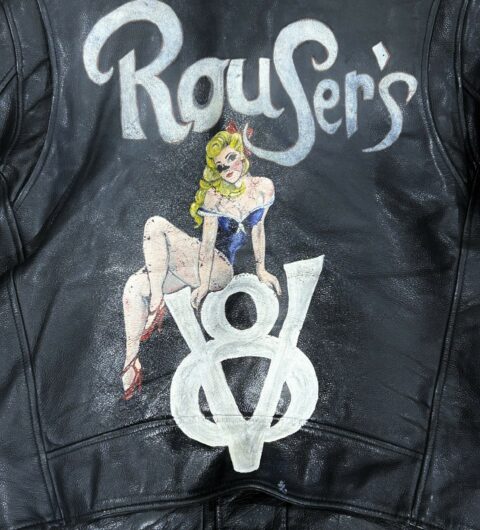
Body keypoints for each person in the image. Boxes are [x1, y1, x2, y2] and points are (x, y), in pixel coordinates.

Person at [120, 123, 281, 399]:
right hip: (202, 266)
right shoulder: (213, 197)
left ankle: (157, 303)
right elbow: (205, 246)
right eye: (220, 166)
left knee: (155, 224)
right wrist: (201, 283)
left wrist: (261, 269)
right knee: (134, 286)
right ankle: (131, 362)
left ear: (242, 154)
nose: (227, 168)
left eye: (230, 158)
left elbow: (258, 229)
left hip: (223, 270)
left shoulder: (263, 187)